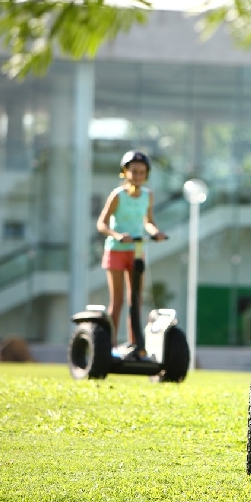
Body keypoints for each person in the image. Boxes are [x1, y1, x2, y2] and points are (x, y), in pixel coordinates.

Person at [96, 150, 166, 356]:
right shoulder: (117, 196)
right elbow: (101, 223)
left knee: (135, 300)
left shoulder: (148, 196)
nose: (137, 176)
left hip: (136, 252)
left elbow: (149, 222)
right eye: (133, 171)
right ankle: (109, 347)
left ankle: (136, 345)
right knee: (116, 301)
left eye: (141, 172)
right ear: (125, 172)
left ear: (147, 174)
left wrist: (156, 232)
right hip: (116, 251)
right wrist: (116, 235)